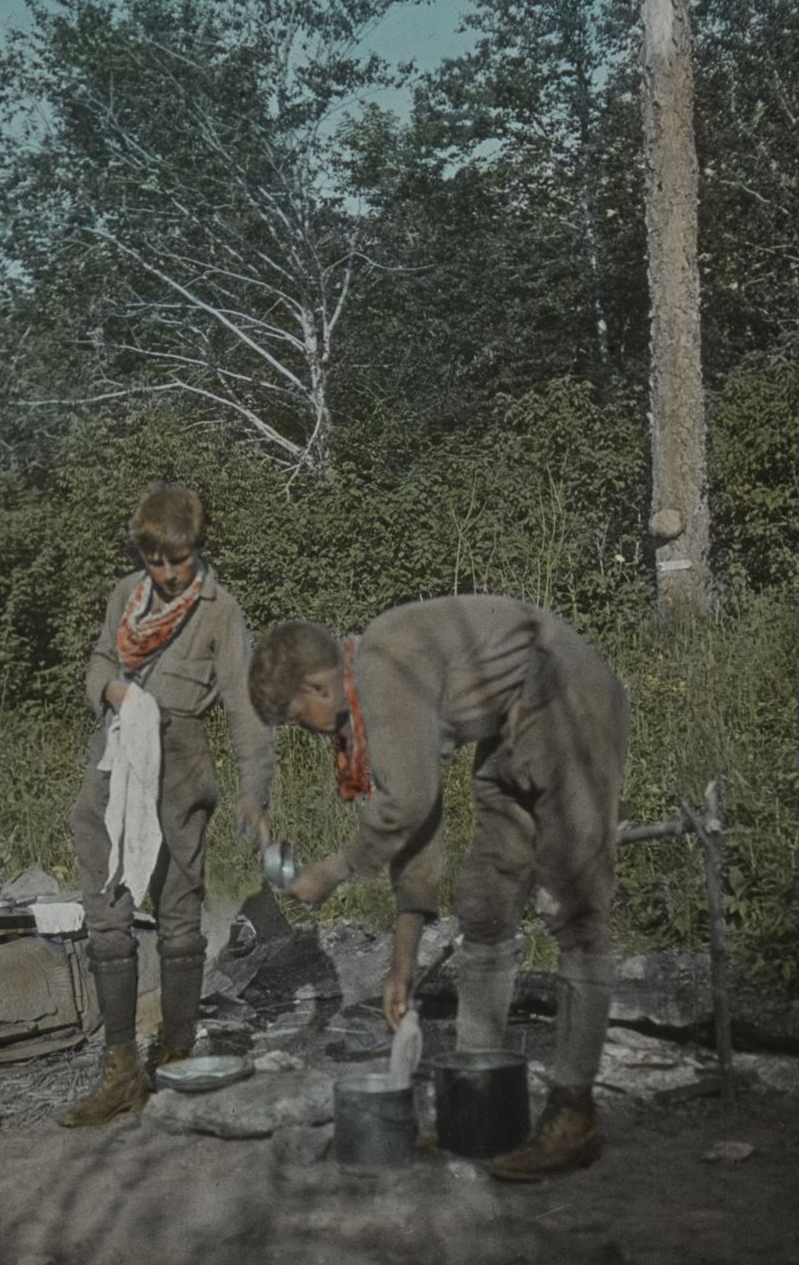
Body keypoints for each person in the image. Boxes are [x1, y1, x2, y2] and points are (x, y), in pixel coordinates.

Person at [248, 595, 629, 1179]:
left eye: (299, 717)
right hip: (509, 727)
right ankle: (482, 1095)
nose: (306, 730)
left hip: (568, 701)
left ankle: (575, 1112)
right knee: (483, 902)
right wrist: (401, 966)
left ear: (320, 687)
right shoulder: (367, 687)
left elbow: (408, 804)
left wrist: (332, 869)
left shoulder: (381, 669)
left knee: (578, 909)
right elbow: (417, 828)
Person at [60, 483, 272, 1127]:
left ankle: (177, 1054)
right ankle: (120, 1069)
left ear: (197, 552)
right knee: (106, 906)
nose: (167, 573)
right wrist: (114, 693)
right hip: (115, 758)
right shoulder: (125, 595)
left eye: (178, 561)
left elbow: (245, 706)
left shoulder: (219, 610)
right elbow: (99, 660)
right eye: (155, 560)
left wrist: (253, 794)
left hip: (180, 763)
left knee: (179, 907)